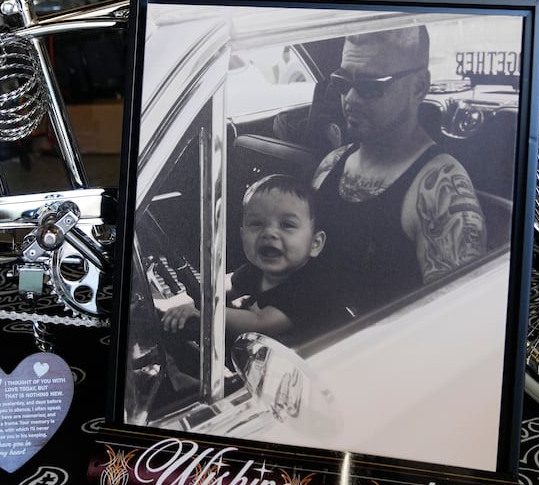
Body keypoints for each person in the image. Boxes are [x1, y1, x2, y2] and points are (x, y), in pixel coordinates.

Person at [310, 25, 488, 315]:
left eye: (370, 86)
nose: (350, 99)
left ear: (419, 86)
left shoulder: (440, 188)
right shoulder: (330, 165)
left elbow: (455, 321)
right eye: (343, 82)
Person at [162, 174, 350, 346]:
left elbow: (261, 324)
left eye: (287, 225)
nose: (269, 233)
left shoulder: (311, 287)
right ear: (243, 234)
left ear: (315, 244)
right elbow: (221, 286)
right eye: (257, 223)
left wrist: (205, 314)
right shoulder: (255, 271)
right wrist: (180, 303)